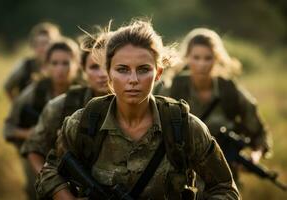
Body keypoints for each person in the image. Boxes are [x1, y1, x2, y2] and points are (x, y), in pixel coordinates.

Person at [36, 20, 240, 200]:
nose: (133, 80)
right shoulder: (84, 123)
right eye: (122, 70)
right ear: (108, 74)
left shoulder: (184, 127)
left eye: (143, 69)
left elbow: (225, 189)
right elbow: (50, 171)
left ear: (158, 73)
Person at [168, 28, 272, 185]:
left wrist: (254, 157)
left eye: (207, 58)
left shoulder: (229, 90)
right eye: (196, 57)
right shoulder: (174, 88)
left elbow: (259, 133)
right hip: (181, 176)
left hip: (224, 176)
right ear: (187, 58)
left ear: (216, 59)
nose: (202, 64)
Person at [20, 32, 109, 175]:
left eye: (108, 66)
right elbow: (33, 148)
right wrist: (54, 186)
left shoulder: (140, 107)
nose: (103, 74)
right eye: (94, 67)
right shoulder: (61, 104)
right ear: (83, 69)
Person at [3, 38, 80, 200]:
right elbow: (8, 128)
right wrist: (29, 133)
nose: (60, 69)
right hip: (38, 155)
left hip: (74, 159)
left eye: (66, 63)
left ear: (76, 64)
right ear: (46, 66)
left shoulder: (84, 91)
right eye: (54, 63)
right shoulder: (35, 91)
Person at [4, 22, 61, 101]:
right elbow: (8, 87)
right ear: (34, 46)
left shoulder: (61, 65)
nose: (44, 48)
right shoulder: (25, 65)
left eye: (48, 43)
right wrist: (18, 106)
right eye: (40, 44)